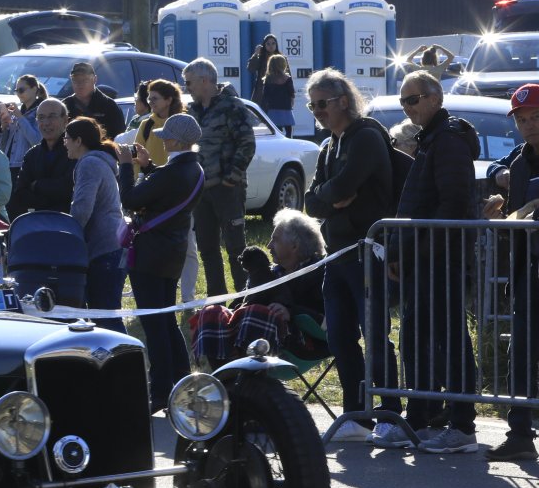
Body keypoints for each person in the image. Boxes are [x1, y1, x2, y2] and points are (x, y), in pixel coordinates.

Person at [301, 68, 404, 445]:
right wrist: (332, 200)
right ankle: (356, 415)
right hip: (337, 256)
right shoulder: (328, 145)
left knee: (375, 334)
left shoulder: (367, 137)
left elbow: (343, 186)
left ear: (343, 101)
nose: (317, 111)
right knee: (340, 337)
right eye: (312, 105)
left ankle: (391, 414)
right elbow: (311, 202)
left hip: (367, 252)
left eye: (322, 104)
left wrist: (329, 197)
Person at [393, 69, 481, 454]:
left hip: (443, 260)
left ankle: (462, 425)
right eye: (403, 101)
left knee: (450, 340)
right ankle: (419, 419)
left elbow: (453, 203)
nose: (407, 107)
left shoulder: (448, 140)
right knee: (416, 338)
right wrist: (402, 251)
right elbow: (418, 202)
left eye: (413, 99)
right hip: (425, 259)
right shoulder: (430, 138)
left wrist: (423, 249)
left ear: (434, 98)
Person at [118, 113, 206, 411]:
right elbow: (168, 190)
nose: (163, 140)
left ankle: (159, 392)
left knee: (154, 325)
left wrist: (125, 166)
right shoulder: (194, 169)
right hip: (172, 253)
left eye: (167, 136)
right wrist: (149, 168)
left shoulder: (172, 173)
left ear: (177, 142)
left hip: (150, 255)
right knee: (166, 321)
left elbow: (130, 199)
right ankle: (182, 383)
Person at [483, 83, 539, 461]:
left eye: (535, 117)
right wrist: (499, 214)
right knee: (520, 351)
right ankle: (519, 433)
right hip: (527, 271)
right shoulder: (519, 159)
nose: (529, 125)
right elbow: (495, 168)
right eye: (522, 120)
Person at [195, 211, 328, 365]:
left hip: (302, 345)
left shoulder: (319, 274)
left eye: (275, 240)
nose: (268, 246)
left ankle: (247, 374)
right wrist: (228, 313)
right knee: (212, 313)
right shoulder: (269, 273)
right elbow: (242, 300)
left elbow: (327, 320)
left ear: (294, 246)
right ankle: (227, 375)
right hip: (262, 337)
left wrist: (291, 312)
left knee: (256, 315)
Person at [185, 58, 256, 295]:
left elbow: (247, 143)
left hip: (228, 189)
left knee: (236, 248)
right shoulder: (193, 110)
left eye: (190, 83)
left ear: (205, 80)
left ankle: (244, 298)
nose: (187, 88)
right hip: (201, 190)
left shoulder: (232, 106)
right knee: (207, 249)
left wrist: (232, 177)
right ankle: (216, 301)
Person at [132, 80, 199, 301]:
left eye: (155, 98)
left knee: (187, 245)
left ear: (169, 100)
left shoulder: (183, 124)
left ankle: (187, 296)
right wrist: (141, 175)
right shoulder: (147, 124)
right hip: (154, 188)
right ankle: (157, 285)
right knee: (153, 242)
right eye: (148, 98)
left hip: (177, 190)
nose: (150, 102)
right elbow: (137, 156)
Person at [63, 117, 127, 325]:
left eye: (67, 138)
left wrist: (68, 238)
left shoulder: (89, 163)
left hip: (104, 250)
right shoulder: (98, 161)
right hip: (112, 246)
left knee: (106, 318)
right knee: (106, 315)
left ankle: (122, 348)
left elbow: (82, 209)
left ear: (78, 141)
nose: (65, 143)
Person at [5, 97, 73, 219]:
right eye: (41, 117)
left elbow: (69, 190)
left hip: (68, 223)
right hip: (37, 222)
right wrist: (51, 197)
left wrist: (37, 185)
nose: (46, 123)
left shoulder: (75, 153)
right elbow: (20, 194)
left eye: (52, 116)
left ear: (65, 120)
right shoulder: (32, 155)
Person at [62, 61, 125, 140]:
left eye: (85, 80)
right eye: (75, 80)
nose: (80, 84)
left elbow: (119, 139)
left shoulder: (109, 106)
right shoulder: (64, 106)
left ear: (95, 79)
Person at [2, 75, 46, 183]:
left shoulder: (41, 112)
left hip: (26, 166)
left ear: (34, 89)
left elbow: (36, 140)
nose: (18, 94)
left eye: (21, 90)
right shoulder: (18, 111)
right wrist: (4, 126)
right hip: (10, 164)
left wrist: (19, 117)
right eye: (16, 90)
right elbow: (4, 145)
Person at [262, 55, 297, 135]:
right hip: (286, 108)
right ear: (283, 65)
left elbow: (265, 95)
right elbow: (291, 93)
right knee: (288, 130)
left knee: (275, 131)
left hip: (272, 109)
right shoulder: (287, 78)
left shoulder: (268, 79)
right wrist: (291, 103)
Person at [248, 34, 280, 104]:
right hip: (261, 92)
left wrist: (291, 96)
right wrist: (256, 54)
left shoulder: (281, 58)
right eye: (268, 44)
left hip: (277, 91)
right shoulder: (261, 58)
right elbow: (251, 68)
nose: (271, 46)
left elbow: (288, 75)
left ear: (276, 45)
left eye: (273, 43)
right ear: (264, 45)